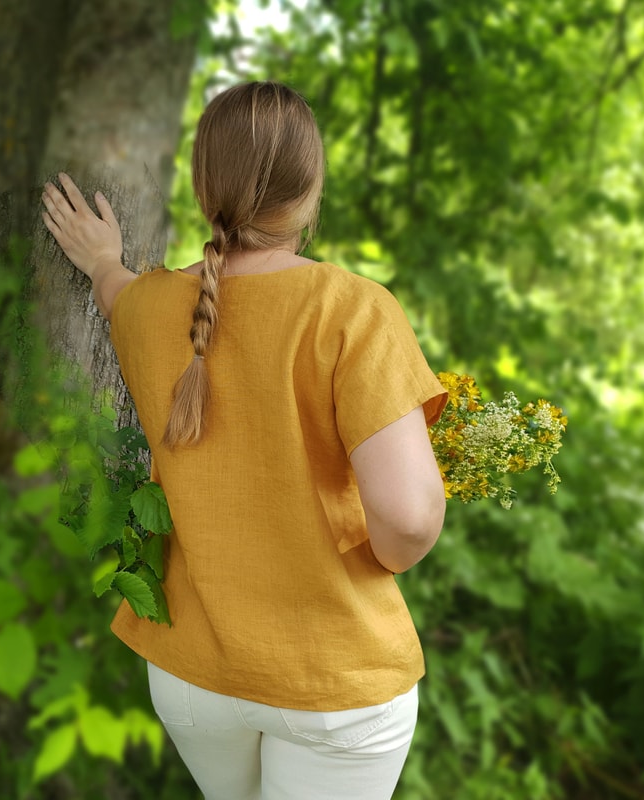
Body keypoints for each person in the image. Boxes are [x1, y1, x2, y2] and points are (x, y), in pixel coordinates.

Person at [42, 80, 447, 800]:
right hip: (334, 679)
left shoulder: (152, 307)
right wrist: (381, 554)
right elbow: (411, 520)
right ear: (311, 189)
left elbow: (117, 289)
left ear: (205, 187)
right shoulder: (351, 310)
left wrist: (102, 258)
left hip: (192, 675)